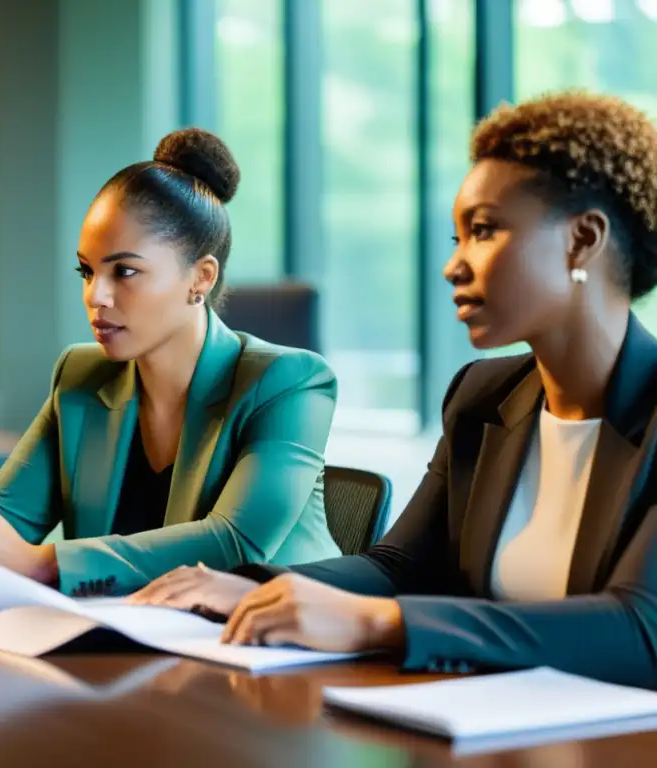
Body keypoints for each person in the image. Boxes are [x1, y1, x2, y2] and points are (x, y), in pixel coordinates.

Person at [132, 92, 657, 688]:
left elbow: (640, 629)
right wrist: (256, 587)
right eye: (456, 238)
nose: (454, 266)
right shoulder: (482, 397)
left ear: (582, 240)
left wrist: (381, 624)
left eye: (483, 231)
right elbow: (401, 565)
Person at [0, 128, 341, 597]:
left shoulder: (290, 382)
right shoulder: (81, 376)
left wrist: (43, 562)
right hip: (128, 643)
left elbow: (235, 543)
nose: (95, 296)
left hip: (277, 645)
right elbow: (7, 510)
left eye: (124, 271)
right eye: (87, 270)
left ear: (200, 278)